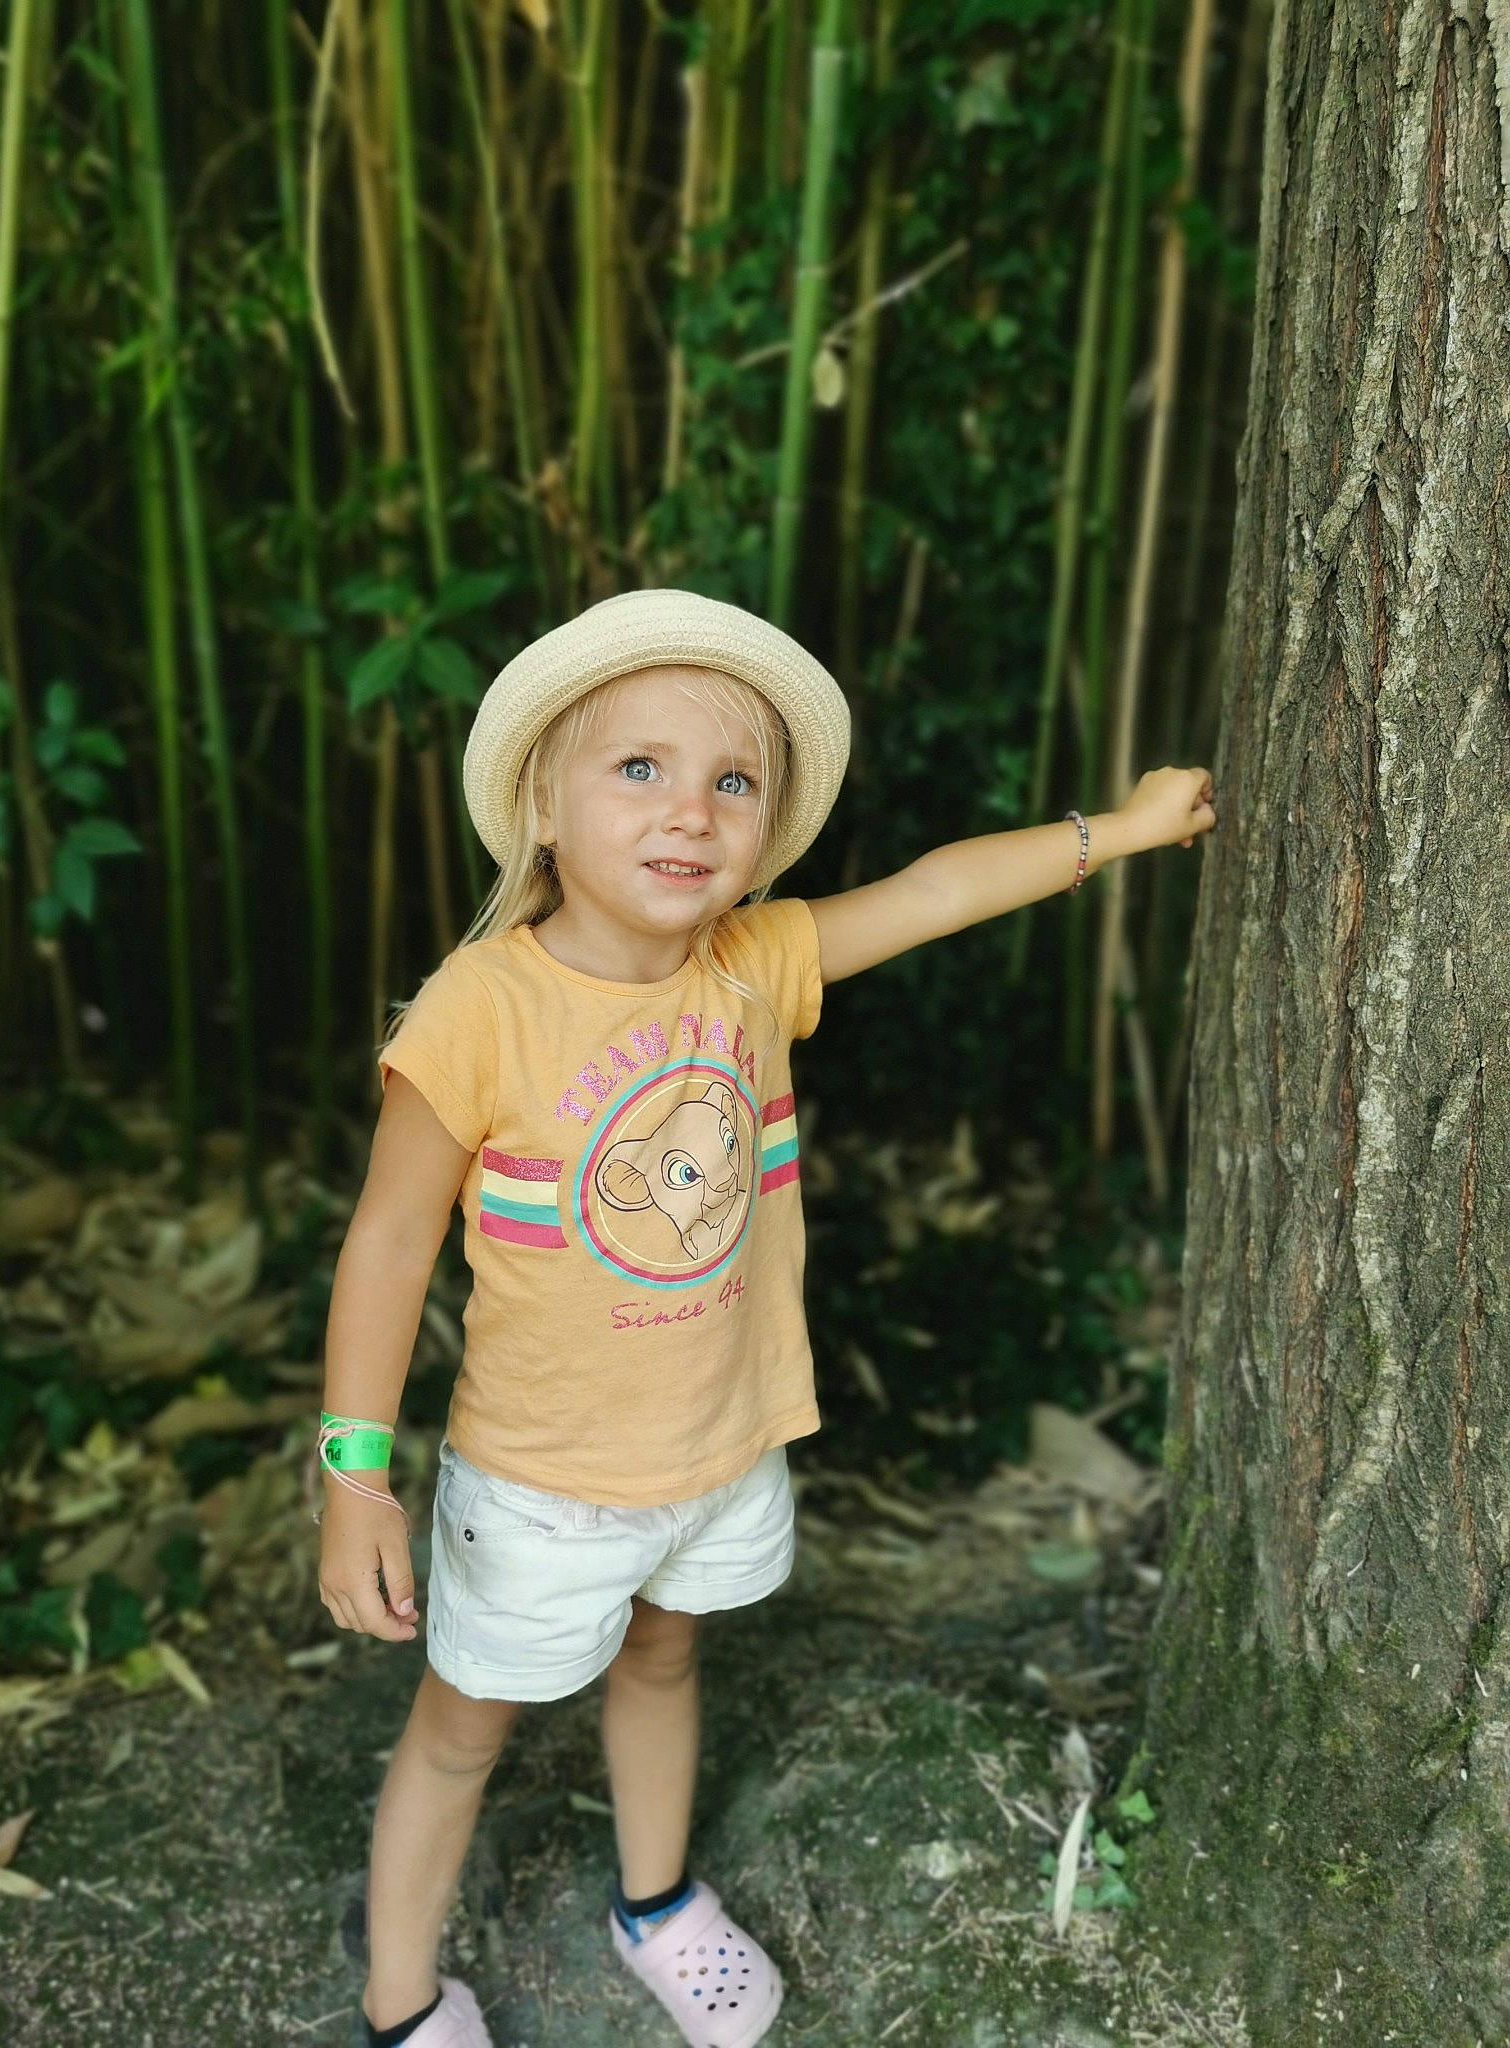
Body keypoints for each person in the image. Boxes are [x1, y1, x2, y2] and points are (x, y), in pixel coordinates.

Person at [314, 587, 1216, 2048]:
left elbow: (930, 893)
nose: (692, 812)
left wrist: (1122, 828)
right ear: (544, 802)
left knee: (668, 1658)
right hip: (540, 1484)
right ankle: (401, 2001)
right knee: (462, 1728)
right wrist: (354, 1469)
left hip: (722, 1447)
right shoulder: (481, 1010)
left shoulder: (753, 963)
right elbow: (389, 1242)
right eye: (639, 769)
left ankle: (656, 1901)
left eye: (732, 780)